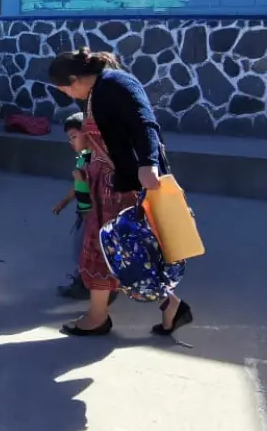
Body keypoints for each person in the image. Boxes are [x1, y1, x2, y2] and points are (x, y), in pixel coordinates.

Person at [48, 48, 194, 337]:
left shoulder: (116, 84)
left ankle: (100, 315)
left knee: (120, 250)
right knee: (121, 251)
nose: (65, 94)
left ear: (76, 78)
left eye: (64, 87)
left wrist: (149, 163)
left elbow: (145, 122)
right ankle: (168, 306)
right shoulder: (98, 91)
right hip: (109, 186)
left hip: (124, 187)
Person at [53, 111, 101, 301]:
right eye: (69, 138)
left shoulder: (95, 158)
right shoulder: (83, 157)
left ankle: (83, 286)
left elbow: (95, 185)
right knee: (81, 249)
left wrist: (82, 178)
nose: (71, 142)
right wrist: (63, 203)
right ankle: (85, 282)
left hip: (92, 214)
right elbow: (77, 187)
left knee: (82, 251)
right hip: (82, 212)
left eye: (74, 137)